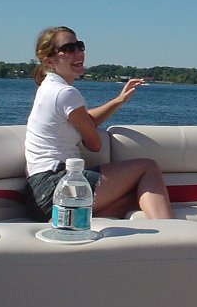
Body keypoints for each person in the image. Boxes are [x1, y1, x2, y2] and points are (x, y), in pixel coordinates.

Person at [25, 26, 173, 221]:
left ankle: (73, 227)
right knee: (148, 167)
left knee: (129, 199)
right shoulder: (66, 93)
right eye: (68, 49)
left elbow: (85, 120)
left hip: (38, 194)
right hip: (58, 186)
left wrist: (119, 100)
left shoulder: (49, 87)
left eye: (79, 46)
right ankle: (169, 231)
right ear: (49, 61)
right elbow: (94, 145)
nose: (78, 52)